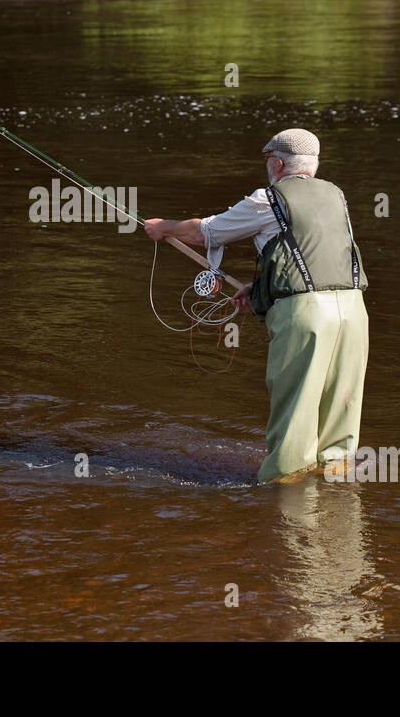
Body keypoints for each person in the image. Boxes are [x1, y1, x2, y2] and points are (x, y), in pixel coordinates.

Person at [142, 128, 370, 484]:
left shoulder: (268, 199)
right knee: (342, 409)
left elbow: (206, 233)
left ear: (277, 163)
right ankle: (336, 488)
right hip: (355, 312)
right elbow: (314, 253)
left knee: (295, 409)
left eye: (267, 159)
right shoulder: (336, 196)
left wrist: (164, 227)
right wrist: (261, 288)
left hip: (307, 317)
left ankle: (282, 493)